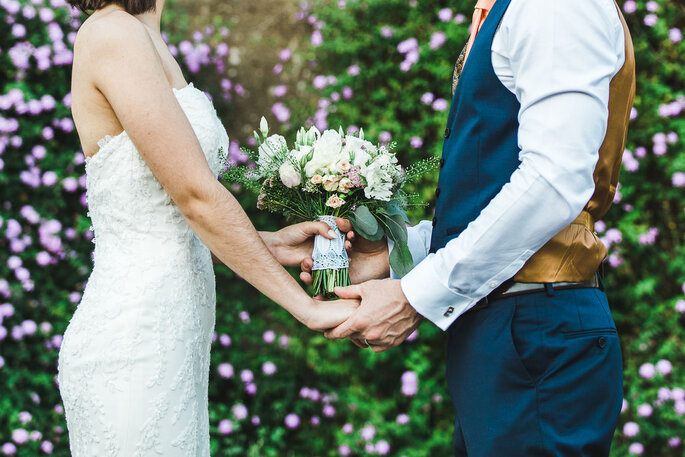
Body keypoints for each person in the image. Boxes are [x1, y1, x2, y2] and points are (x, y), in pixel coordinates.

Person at [302, 0, 636, 455]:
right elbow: (491, 186)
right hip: (508, 335)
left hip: (536, 333)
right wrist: (398, 256)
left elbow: (555, 181)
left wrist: (417, 296)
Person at [56, 1, 357, 455]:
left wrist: (269, 244)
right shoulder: (111, 33)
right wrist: (307, 308)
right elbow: (196, 197)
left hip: (175, 343)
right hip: (133, 344)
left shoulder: (149, 38)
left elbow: (165, 219)